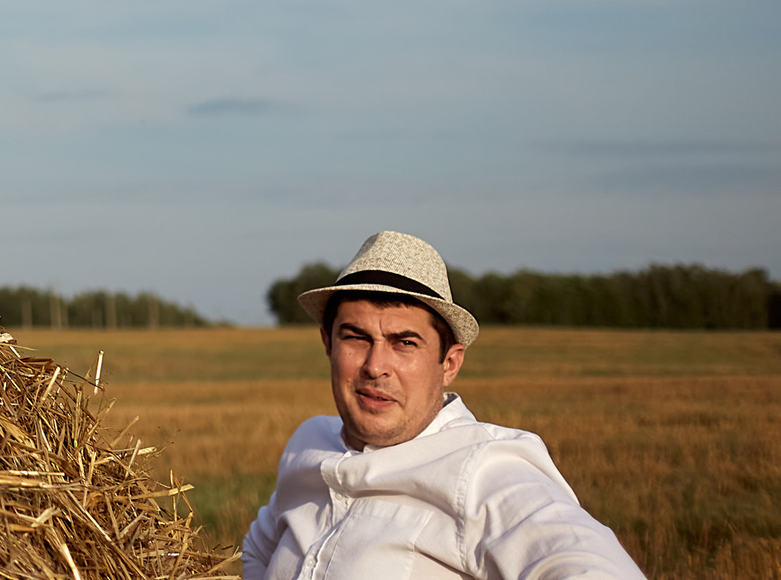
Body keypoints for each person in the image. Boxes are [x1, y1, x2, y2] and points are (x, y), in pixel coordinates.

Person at [241, 231, 645, 580]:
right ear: (328, 343)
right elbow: (257, 553)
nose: (375, 366)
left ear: (449, 363)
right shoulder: (309, 443)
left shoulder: (484, 470)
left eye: (405, 342)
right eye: (356, 337)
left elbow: (590, 566)